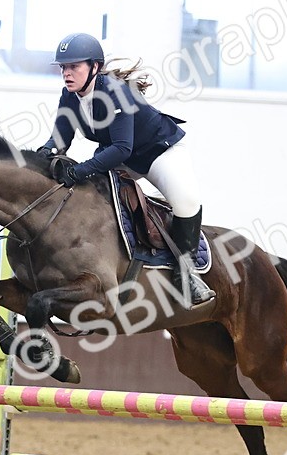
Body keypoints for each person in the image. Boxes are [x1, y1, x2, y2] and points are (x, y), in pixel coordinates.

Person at [37, 32, 214, 306]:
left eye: (74, 67)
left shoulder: (115, 93)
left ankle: (186, 272)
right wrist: (44, 154)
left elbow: (122, 148)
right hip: (119, 156)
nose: (66, 73)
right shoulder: (69, 97)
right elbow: (60, 139)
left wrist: (80, 170)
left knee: (186, 201)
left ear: (94, 67)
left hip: (158, 152)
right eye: (63, 67)